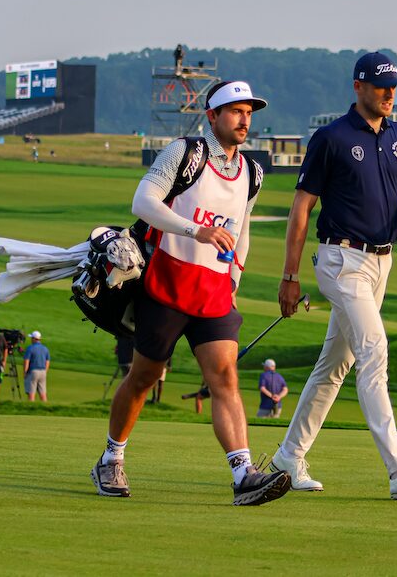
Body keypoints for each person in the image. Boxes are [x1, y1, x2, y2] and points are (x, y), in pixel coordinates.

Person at [271, 52, 397, 500]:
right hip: (341, 261)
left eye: (394, 86)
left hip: (382, 262)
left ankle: (288, 457)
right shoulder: (332, 138)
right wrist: (289, 275)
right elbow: (301, 208)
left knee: (334, 366)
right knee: (374, 351)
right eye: (381, 86)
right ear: (358, 87)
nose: (389, 93)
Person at [90, 79, 290, 506]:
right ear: (212, 115)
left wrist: (234, 278)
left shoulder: (252, 172)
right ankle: (111, 456)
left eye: (249, 112)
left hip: (214, 295)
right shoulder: (186, 153)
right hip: (165, 287)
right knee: (143, 377)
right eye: (235, 111)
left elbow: (242, 229)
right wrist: (195, 230)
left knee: (225, 377)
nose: (244, 119)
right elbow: (143, 203)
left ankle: (243, 475)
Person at [23, 330, 50, 402]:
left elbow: (26, 361)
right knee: (43, 393)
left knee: (31, 393)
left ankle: (31, 409)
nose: (31, 340)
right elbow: (47, 361)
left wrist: (25, 372)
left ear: (34, 339)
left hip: (33, 371)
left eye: (32, 338)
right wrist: (45, 371)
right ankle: (45, 409)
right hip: (43, 371)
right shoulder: (45, 348)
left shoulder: (30, 348)